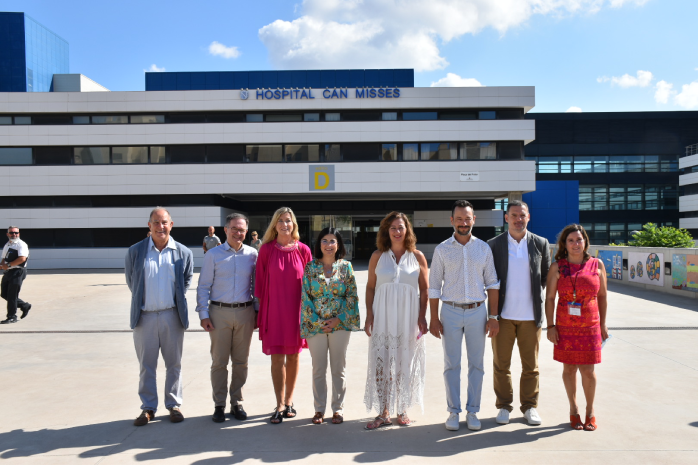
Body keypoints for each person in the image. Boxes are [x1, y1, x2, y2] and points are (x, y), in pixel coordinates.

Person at [428, 200, 500, 432]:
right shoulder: (441, 249)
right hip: (449, 311)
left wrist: (494, 317)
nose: (463, 223)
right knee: (452, 365)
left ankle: (472, 411)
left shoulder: (483, 249)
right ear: (452, 221)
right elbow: (434, 287)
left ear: (473, 220)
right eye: (459, 219)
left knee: (476, 365)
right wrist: (434, 318)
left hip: (478, 311)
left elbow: (492, 283)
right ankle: (453, 411)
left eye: (467, 218)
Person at [125, 207, 194, 426]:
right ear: (149, 226)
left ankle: (173, 405)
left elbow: (186, 281)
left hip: (171, 316)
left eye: (164, 222)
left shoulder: (182, 252)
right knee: (147, 365)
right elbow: (132, 282)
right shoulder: (136, 251)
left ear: (171, 225)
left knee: (174, 364)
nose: (160, 226)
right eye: (156, 222)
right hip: (144, 317)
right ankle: (148, 408)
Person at [487, 200, 551, 426]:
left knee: (530, 367)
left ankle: (530, 407)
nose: (518, 219)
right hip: (502, 317)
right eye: (513, 215)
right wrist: (492, 316)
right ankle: (504, 406)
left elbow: (545, 276)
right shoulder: (493, 245)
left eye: (522, 215)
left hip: (531, 318)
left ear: (528, 217)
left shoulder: (540, 243)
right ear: (506, 218)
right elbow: (488, 279)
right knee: (501, 365)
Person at [364, 212, 429, 430]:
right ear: (386, 231)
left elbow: (425, 289)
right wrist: (369, 315)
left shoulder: (417, 256)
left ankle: (402, 410)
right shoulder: (377, 256)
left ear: (407, 229)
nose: (397, 231)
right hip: (382, 316)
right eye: (392, 228)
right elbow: (371, 287)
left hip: (408, 317)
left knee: (403, 363)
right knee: (382, 364)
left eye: (401, 227)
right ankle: (383, 411)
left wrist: (422, 316)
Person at [545, 224, 608, 432]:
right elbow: (550, 298)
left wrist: (603, 325)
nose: (575, 244)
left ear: (585, 241)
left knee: (588, 371)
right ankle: (574, 410)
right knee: (569, 368)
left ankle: (590, 412)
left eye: (579, 240)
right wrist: (551, 326)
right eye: (571, 240)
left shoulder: (596, 265)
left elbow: (602, 297)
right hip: (565, 327)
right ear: (564, 244)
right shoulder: (557, 267)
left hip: (590, 326)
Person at [196, 213, 258, 423]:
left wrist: (256, 312)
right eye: (234, 228)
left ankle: (237, 401)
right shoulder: (213, 254)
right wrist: (203, 314)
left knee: (241, 362)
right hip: (219, 313)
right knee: (219, 362)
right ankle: (219, 404)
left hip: (245, 312)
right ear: (226, 229)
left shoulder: (252, 254)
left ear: (246, 232)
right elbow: (203, 286)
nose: (238, 233)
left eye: (241, 230)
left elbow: (255, 286)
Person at [255, 207, 313, 424]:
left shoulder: (303, 250)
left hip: (297, 313)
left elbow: (311, 285)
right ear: (274, 225)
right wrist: (260, 314)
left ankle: (289, 402)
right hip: (274, 311)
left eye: (288, 220)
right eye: (280, 221)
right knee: (277, 357)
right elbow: (259, 285)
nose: (284, 224)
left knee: (295, 356)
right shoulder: (266, 250)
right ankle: (279, 403)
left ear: (294, 224)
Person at [301, 227, 360, 425]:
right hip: (315, 326)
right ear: (319, 244)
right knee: (318, 368)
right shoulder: (310, 268)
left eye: (332, 241)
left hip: (340, 325)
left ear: (339, 245)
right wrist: (318, 321)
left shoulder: (346, 267)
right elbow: (306, 297)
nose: (328, 244)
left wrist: (338, 318)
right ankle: (319, 410)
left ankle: (338, 409)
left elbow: (352, 296)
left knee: (338, 368)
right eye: (324, 240)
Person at [1, 226, 31, 324]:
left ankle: (12, 317)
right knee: (4, 294)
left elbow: (22, 259)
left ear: (19, 234)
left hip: (18, 272)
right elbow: (3, 258)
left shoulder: (21, 245)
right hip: (8, 272)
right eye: (12, 233)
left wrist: (8, 265)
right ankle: (24, 305)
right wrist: (2, 266)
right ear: (7, 234)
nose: (14, 234)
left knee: (12, 295)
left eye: (16, 233)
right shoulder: (8, 245)